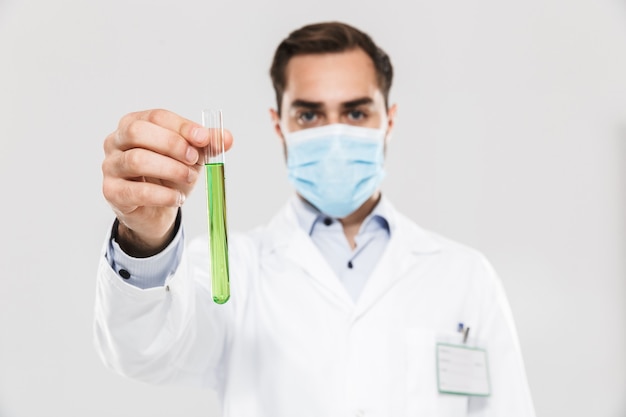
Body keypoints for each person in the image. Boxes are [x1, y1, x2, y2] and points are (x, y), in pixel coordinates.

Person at [95, 21, 536, 416]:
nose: (334, 133)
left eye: (356, 112)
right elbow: (143, 351)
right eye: (309, 114)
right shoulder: (232, 269)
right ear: (278, 124)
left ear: (390, 120)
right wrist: (144, 236)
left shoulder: (464, 277)